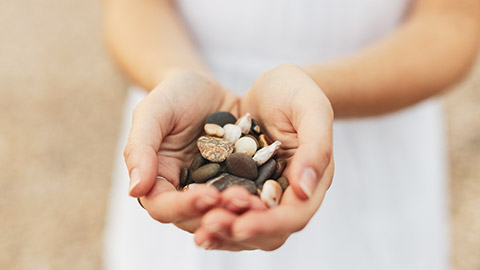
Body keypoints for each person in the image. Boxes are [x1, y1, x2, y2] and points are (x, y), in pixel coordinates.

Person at [102, 0, 480, 269]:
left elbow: (453, 22)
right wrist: (173, 74)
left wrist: (317, 90)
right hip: (182, 123)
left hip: (374, 104)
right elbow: (134, 7)